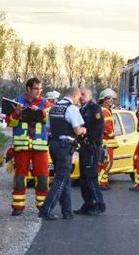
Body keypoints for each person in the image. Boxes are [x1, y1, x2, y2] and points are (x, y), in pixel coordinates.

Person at [38, 87, 86, 220]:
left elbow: (47, 127)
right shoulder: (71, 108)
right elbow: (77, 130)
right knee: (61, 179)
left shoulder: (53, 108)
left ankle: (67, 211)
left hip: (53, 145)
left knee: (64, 177)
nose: (79, 100)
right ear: (75, 96)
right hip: (65, 146)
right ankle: (46, 210)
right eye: (78, 97)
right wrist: (84, 130)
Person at [6, 78, 50, 216]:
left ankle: (42, 206)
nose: (39, 91)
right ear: (28, 89)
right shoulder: (16, 101)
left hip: (40, 146)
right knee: (20, 178)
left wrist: (40, 112)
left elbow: (49, 121)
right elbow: (10, 123)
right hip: (22, 146)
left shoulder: (45, 103)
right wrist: (16, 113)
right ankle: (17, 207)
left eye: (40, 89)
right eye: (36, 89)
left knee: (43, 178)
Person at [74, 87, 106, 216]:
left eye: (84, 94)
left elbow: (98, 127)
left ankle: (99, 204)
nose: (81, 96)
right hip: (83, 147)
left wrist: (88, 138)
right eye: (79, 94)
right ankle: (88, 204)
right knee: (83, 178)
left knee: (91, 177)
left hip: (91, 147)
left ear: (90, 96)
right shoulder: (81, 109)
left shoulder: (94, 108)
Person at [97, 88, 119, 191]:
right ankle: (100, 182)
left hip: (108, 142)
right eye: (108, 98)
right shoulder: (104, 111)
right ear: (103, 100)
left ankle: (104, 182)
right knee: (104, 163)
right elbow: (106, 126)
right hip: (105, 142)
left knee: (107, 163)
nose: (111, 100)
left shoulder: (107, 110)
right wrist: (112, 134)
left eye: (112, 98)